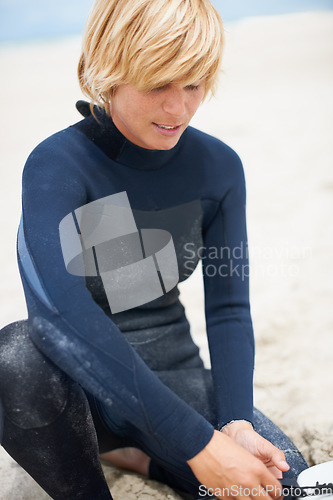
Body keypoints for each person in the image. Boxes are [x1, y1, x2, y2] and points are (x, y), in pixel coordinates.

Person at [0, 0, 308, 499]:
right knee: (13, 358)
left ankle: (138, 455)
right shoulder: (58, 164)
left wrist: (233, 425)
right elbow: (59, 314)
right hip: (80, 388)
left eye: (193, 84)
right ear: (110, 71)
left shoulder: (217, 167)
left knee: (286, 487)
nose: (178, 108)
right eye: (157, 83)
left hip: (171, 373)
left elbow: (229, 308)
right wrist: (196, 446)